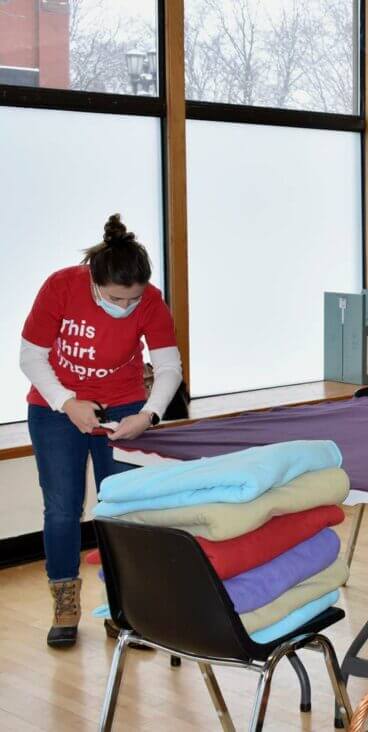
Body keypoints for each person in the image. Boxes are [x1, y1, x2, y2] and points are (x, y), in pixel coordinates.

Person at [20, 214, 183, 648]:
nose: (126, 307)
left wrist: (147, 415)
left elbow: (168, 367)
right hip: (56, 406)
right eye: (116, 299)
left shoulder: (150, 299)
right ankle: (65, 602)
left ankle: (123, 606)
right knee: (61, 508)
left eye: (133, 300)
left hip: (125, 405)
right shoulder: (61, 286)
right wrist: (66, 402)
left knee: (122, 507)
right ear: (94, 282)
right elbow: (31, 357)